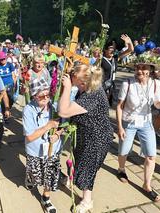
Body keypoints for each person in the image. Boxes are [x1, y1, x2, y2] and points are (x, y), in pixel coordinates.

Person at [59, 64, 112, 212]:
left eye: (73, 76)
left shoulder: (92, 95)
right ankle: (70, 179)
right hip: (86, 134)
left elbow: (64, 111)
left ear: (81, 81)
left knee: (87, 169)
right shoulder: (87, 86)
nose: (70, 76)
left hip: (96, 139)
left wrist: (68, 87)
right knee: (77, 160)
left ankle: (87, 201)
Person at [116, 57, 160, 202]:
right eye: (138, 68)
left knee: (151, 156)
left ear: (150, 69)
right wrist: (119, 127)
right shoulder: (128, 83)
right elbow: (119, 106)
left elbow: (158, 104)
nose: (141, 71)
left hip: (146, 122)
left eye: (144, 68)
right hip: (129, 122)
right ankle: (121, 169)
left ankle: (147, 185)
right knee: (124, 151)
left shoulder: (156, 84)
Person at [23, 78, 64, 213]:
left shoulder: (54, 106)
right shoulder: (28, 110)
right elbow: (29, 136)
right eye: (42, 96)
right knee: (36, 175)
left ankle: (46, 198)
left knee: (50, 175)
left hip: (53, 149)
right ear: (34, 96)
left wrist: (57, 134)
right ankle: (30, 177)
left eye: (48, 95)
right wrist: (48, 126)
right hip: (35, 150)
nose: (46, 98)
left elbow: (63, 125)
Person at [101, 34, 134, 105]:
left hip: (111, 87)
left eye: (114, 48)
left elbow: (130, 50)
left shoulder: (115, 58)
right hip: (101, 86)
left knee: (107, 106)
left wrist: (129, 42)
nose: (113, 50)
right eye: (110, 48)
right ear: (105, 49)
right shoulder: (101, 59)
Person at [0, 51, 16, 115]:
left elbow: (13, 74)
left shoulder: (10, 65)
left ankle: (9, 108)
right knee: (4, 102)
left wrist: (14, 83)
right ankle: (5, 114)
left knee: (11, 99)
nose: (3, 60)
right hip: (2, 87)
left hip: (10, 85)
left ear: (6, 58)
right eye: (1, 59)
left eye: (4, 59)